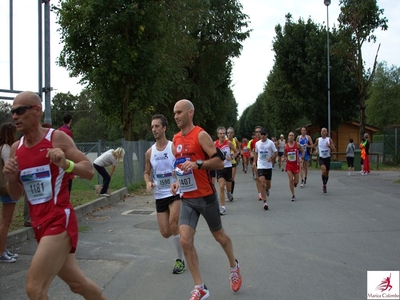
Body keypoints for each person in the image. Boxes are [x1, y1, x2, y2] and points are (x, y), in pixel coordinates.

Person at [3, 91, 106, 299]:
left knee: (35, 288)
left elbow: (88, 170)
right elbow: (15, 194)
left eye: (20, 111)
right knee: (78, 284)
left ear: (37, 110)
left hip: (59, 220)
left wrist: (65, 164)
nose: (15, 116)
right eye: (13, 112)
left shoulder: (56, 138)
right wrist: (12, 178)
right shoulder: (16, 148)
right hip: (38, 224)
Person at [171, 99, 242, 300]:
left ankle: (233, 266)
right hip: (188, 199)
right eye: (174, 113)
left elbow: (219, 162)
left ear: (190, 113)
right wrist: (176, 181)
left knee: (220, 237)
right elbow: (178, 166)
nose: (176, 116)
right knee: (185, 240)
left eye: (179, 112)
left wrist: (198, 164)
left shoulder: (201, 135)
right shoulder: (175, 139)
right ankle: (200, 286)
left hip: (206, 197)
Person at [143, 114, 185, 274]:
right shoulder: (149, 152)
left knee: (174, 223)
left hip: (175, 191)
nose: (154, 129)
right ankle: (184, 238)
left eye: (157, 126)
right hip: (159, 194)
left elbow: (182, 166)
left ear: (164, 128)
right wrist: (148, 182)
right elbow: (146, 172)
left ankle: (180, 260)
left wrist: (178, 174)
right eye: (152, 126)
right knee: (166, 232)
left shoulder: (173, 147)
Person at [0, 122, 18, 263]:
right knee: (6, 221)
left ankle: (3, 248)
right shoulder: (6, 148)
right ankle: (1, 252)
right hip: (7, 188)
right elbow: (9, 167)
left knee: (4, 221)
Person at [253, 128, 278, 210]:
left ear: (267, 135)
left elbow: (275, 152)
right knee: (262, 183)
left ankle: (267, 189)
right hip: (260, 165)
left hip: (268, 166)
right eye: (261, 134)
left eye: (264, 134)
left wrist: (271, 158)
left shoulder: (270, 143)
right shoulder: (257, 143)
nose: (262, 136)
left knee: (268, 185)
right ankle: (265, 202)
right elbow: (256, 153)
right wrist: (254, 162)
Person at [215, 126, 236, 215]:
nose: (222, 135)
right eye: (221, 134)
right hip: (220, 167)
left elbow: (236, 151)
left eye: (224, 133)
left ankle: (229, 193)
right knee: (221, 186)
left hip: (228, 167)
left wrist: (230, 157)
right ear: (218, 135)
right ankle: (223, 207)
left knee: (228, 186)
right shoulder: (214, 144)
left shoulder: (229, 143)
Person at [314, 127, 336, 193]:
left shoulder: (329, 140)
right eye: (321, 131)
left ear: (326, 133)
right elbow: (315, 145)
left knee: (327, 174)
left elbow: (334, 149)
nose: (322, 132)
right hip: (321, 158)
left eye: (324, 131)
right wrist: (316, 150)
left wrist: (329, 146)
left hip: (327, 158)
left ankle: (325, 184)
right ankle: (324, 185)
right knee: (323, 170)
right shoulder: (318, 139)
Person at [284, 132, 304, 201]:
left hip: (296, 165)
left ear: (294, 137)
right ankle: (293, 195)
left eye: (292, 135)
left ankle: (295, 183)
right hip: (289, 165)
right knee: (290, 179)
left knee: (296, 181)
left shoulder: (297, 144)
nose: (291, 137)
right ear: (288, 137)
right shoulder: (285, 146)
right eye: (290, 135)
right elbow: (284, 154)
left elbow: (303, 151)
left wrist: (301, 158)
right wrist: (285, 158)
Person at [58, 113, 74, 193]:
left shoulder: (58, 131)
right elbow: (70, 148)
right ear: (70, 120)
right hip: (66, 160)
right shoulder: (68, 132)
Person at [227, 127, 241, 197]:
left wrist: (236, 155)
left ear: (233, 134)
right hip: (225, 163)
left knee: (232, 178)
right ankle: (228, 190)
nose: (230, 134)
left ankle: (231, 193)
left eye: (231, 133)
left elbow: (238, 149)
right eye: (228, 133)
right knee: (226, 179)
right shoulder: (224, 140)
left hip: (232, 162)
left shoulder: (235, 140)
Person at [250, 126, 262, 199]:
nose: (258, 134)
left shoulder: (265, 140)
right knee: (258, 177)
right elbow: (251, 150)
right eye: (256, 132)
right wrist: (253, 159)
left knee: (265, 179)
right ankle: (260, 193)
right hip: (257, 161)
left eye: (259, 132)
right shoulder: (253, 142)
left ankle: (265, 188)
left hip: (265, 162)